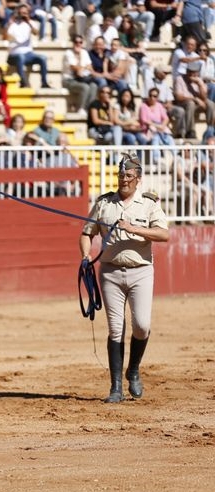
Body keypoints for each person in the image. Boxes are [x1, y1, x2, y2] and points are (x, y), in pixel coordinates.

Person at [79, 153, 170, 403]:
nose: (124, 180)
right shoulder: (104, 203)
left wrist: (134, 229)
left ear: (138, 179)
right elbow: (87, 232)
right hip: (110, 271)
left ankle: (133, 370)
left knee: (141, 325)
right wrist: (86, 256)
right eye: (121, 176)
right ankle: (116, 387)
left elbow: (164, 234)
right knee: (115, 328)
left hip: (141, 271)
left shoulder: (149, 203)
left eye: (129, 176)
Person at [6, 4, 50, 89]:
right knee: (20, 57)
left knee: (43, 58)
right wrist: (10, 22)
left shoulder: (30, 23)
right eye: (21, 13)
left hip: (28, 53)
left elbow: (36, 33)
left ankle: (44, 83)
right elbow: (5, 36)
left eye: (25, 13)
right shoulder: (13, 24)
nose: (23, 15)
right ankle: (23, 82)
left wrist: (28, 21)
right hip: (14, 54)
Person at [173, 61, 215, 139]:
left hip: (197, 104)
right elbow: (178, 97)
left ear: (197, 73)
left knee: (211, 104)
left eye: (194, 73)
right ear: (187, 71)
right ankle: (190, 131)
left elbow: (204, 98)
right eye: (190, 72)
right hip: (183, 103)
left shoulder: (199, 80)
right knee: (191, 103)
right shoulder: (179, 79)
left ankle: (210, 130)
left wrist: (200, 84)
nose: (192, 75)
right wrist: (194, 98)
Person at [64, 35, 98, 114]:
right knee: (85, 87)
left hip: (80, 79)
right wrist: (79, 59)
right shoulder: (68, 53)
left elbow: (90, 66)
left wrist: (83, 68)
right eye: (76, 42)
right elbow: (75, 68)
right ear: (73, 43)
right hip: (69, 80)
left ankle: (90, 108)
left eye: (80, 42)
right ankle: (81, 108)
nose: (78, 44)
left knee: (94, 86)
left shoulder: (84, 52)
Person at [139, 87, 175, 164]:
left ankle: (176, 155)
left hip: (159, 129)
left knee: (169, 138)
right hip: (148, 131)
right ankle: (156, 158)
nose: (152, 98)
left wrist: (161, 126)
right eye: (150, 95)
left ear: (157, 97)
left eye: (155, 96)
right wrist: (158, 126)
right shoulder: (143, 106)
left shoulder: (159, 105)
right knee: (156, 137)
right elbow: (145, 121)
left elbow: (166, 118)